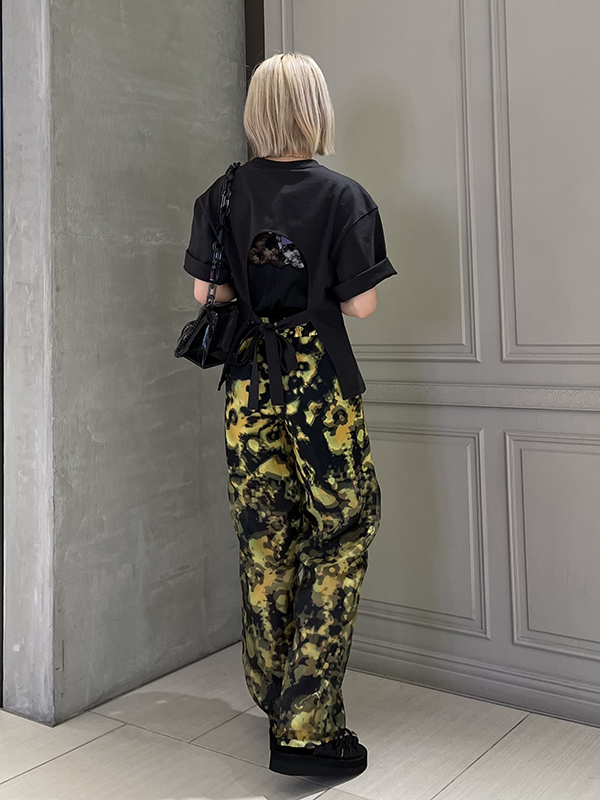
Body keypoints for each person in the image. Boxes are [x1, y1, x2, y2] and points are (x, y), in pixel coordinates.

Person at [182, 52, 397, 779]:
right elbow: (362, 304)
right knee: (342, 530)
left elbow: (206, 295)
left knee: (264, 538)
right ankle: (307, 726)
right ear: (315, 108)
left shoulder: (221, 194)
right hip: (318, 386)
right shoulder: (344, 197)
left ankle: (273, 695)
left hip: (248, 384)